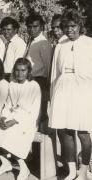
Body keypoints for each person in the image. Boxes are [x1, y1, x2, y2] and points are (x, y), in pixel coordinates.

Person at [49, 9, 92, 180]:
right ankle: (72, 171)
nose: (69, 30)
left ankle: (83, 172)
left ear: (80, 25)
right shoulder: (60, 45)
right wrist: (52, 97)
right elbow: (54, 73)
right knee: (65, 131)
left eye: (73, 26)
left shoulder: (89, 43)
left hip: (83, 90)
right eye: (66, 26)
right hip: (63, 89)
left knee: (83, 133)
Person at [0, 58, 41, 180]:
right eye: (17, 70)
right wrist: (3, 117)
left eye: (23, 70)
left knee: (8, 136)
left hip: (26, 121)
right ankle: (5, 163)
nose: (20, 73)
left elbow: (31, 112)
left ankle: (24, 168)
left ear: (29, 71)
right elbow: (8, 105)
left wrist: (13, 122)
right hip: (11, 117)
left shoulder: (33, 86)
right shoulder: (12, 83)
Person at [25, 13, 53, 135]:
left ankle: (40, 148)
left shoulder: (43, 43)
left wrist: (46, 84)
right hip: (30, 80)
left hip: (40, 80)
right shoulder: (31, 41)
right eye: (29, 27)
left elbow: (48, 65)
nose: (32, 29)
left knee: (39, 112)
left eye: (35, 26)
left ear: (41, 27)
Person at [0, 17, 26, 81]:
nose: (6, 32)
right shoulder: (5, 42)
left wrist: (13, 80)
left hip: (11, 77)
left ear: (15, 30)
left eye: (9, 29)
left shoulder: (19, 43)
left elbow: (18, 64)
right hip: (3, 76)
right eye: (4, 29)